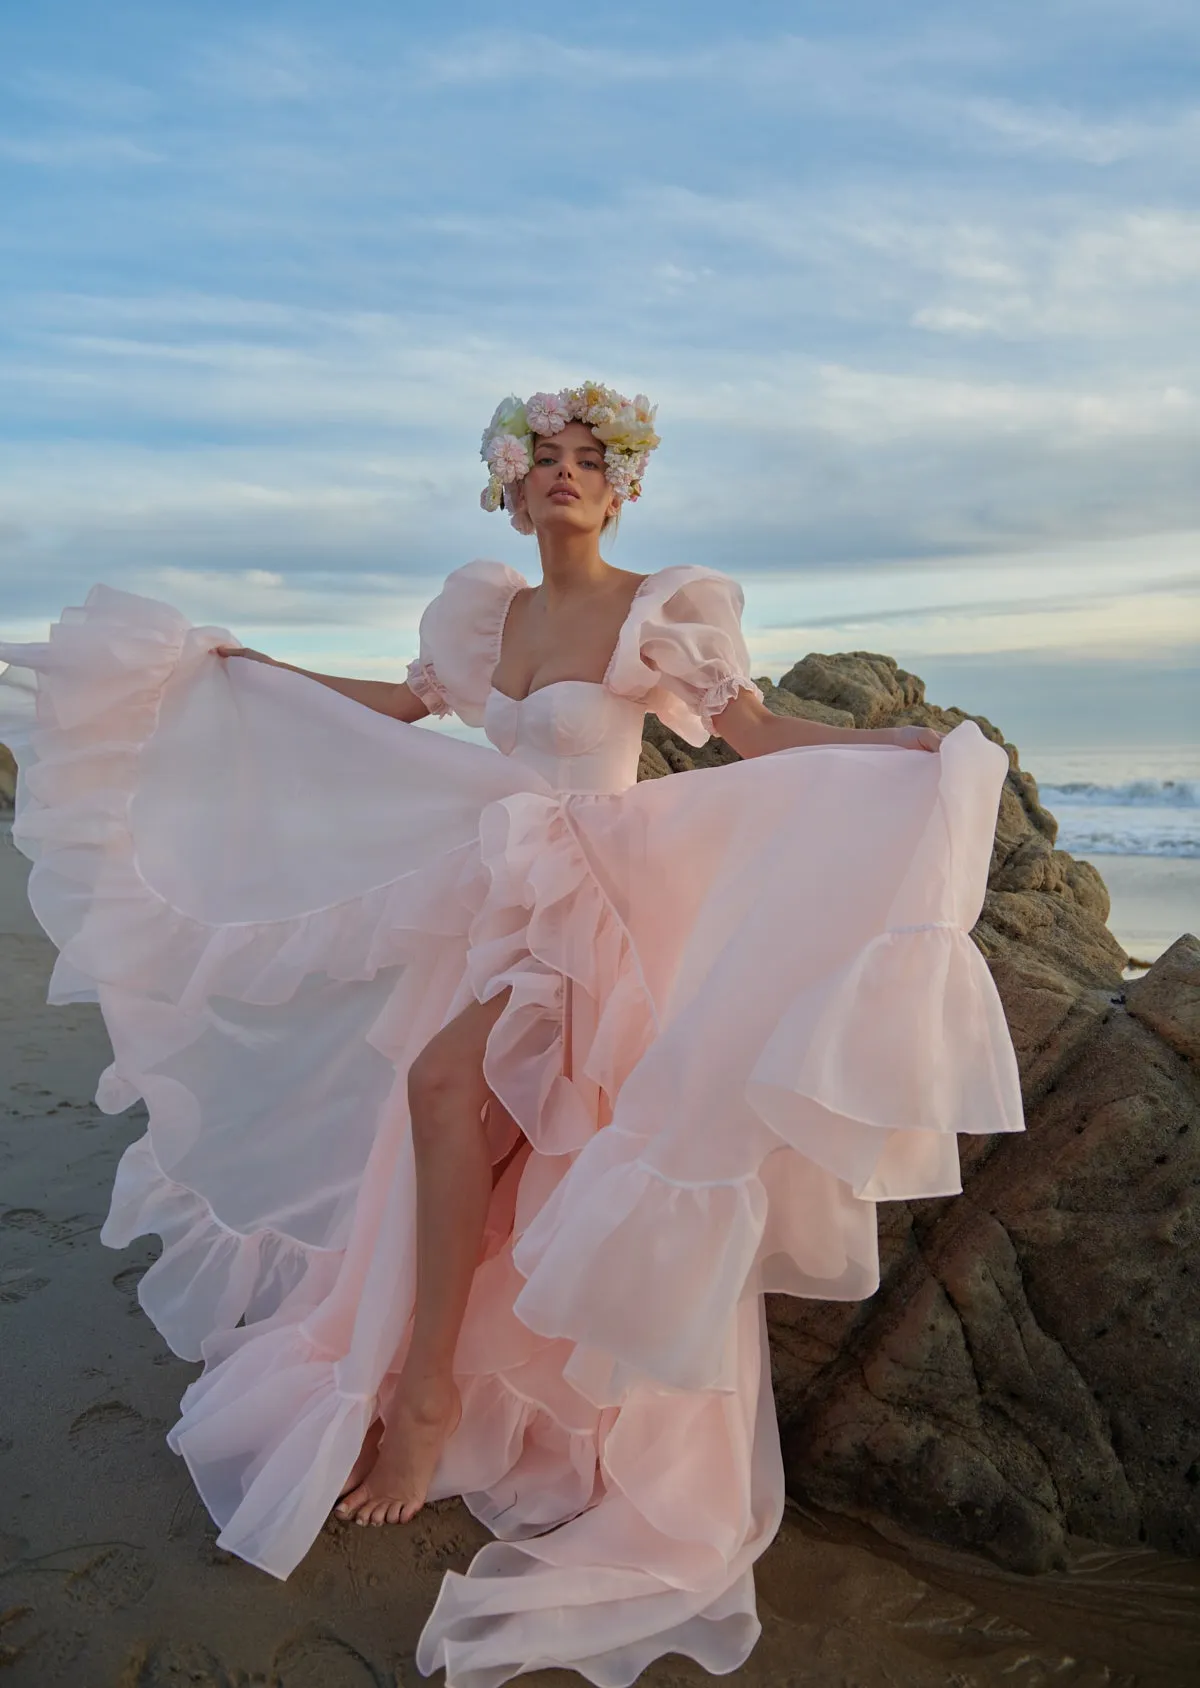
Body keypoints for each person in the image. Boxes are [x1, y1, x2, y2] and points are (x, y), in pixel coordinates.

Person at [0, 382, 1024, 1688]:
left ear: (624, 487)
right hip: (496, 894)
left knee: (439, 1093)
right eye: (544, 456)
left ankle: (424, 1402)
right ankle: (438, 1380)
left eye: (592, 460)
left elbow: (755, 738)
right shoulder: (496, 613)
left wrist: (910, 750)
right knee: (460, 1136)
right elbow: (415, 702)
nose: (567, 474)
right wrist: (249, 676)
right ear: (507, 478)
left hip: (598, 906)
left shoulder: (659, 609)